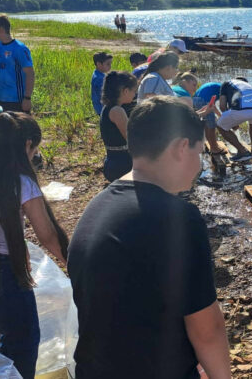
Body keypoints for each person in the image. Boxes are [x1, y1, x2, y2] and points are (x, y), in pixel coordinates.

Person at [68, 96, 230, 379]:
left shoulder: (98, 204)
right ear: (182, 147)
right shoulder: (179, 218)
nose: (199, 165)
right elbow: (207, 331)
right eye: (200, 152)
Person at [0, 112, 69, 379]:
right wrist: (74, 265)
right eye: (34, 150)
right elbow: (47, 235)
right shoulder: (20, 182)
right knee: (23, 340)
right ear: (26, 145)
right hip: (4, 272)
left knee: (2, 334)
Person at [0, 15, 35, 113]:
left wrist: (27, 98)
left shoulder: (20, 49)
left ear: (1, 30)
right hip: (1, 98)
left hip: (18, 100)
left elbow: (30, 74)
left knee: (22, 128)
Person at [100, 72, 138, 182]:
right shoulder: (117, 111)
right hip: (121, 166)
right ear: (125, 91)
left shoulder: (108, 108)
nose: (134, 95)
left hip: (114, 163)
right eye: (133, 91)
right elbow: (131, 139)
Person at [216, 77, 252, 162]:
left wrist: (232, 123)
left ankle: (242, 152)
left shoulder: (226, 83)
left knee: (220, 126)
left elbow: (222, 106)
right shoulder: (248, 85)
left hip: (240, 110)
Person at [193, 81, 223, 154]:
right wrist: (222, 117)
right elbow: (223, 106)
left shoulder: (218, 87)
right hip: (203, 100)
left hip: (196, 99)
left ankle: (213, 145)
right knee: (211, 126)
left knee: (208, 124)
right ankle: (214, 148)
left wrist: (220, 116)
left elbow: (213, 106)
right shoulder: (225, 89)